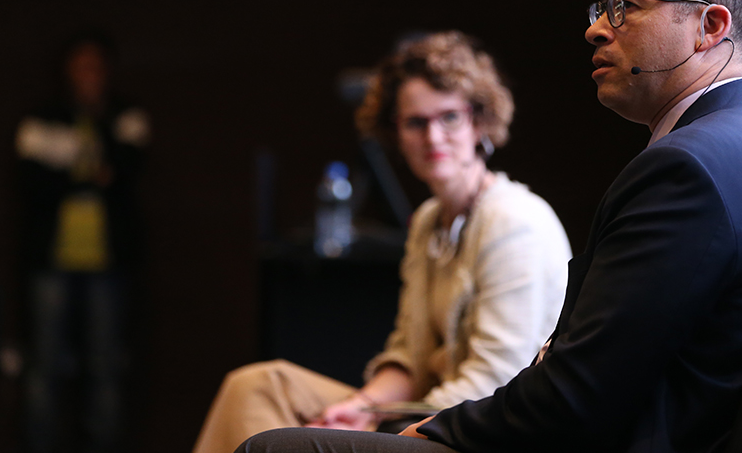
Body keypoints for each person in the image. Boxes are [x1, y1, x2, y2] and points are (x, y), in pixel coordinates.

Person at [238, 0, 742, 453]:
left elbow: (576, 396)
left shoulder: (687, 167)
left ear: (709, 27)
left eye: (624, 6)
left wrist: (434, 431)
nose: (595, 30)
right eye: (600, 8)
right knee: (263, 396)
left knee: (275, 449)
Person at [191, 31, 571, 453]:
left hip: (484, 428)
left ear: (478, 121)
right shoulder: (428, 221)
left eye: (449, 117)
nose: (432, 136)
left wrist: (385, 428)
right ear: (396, 133)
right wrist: (361, 406)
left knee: (286, 438)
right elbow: (408, 355)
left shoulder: (515, 220)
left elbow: (495, 382)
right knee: (259, 386)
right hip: (424, 407)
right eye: (415, 122)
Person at [16, 30, 150, 453]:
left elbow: (126, 171)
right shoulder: (42, 119)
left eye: (95, 67)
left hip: (108, 261)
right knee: (44, 363)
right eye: (80, 66)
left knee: (105, 365)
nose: (87, 75)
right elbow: (34, 182)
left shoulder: (124, 116)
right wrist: (91, 173)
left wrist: (93, 132)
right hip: (50, 260)